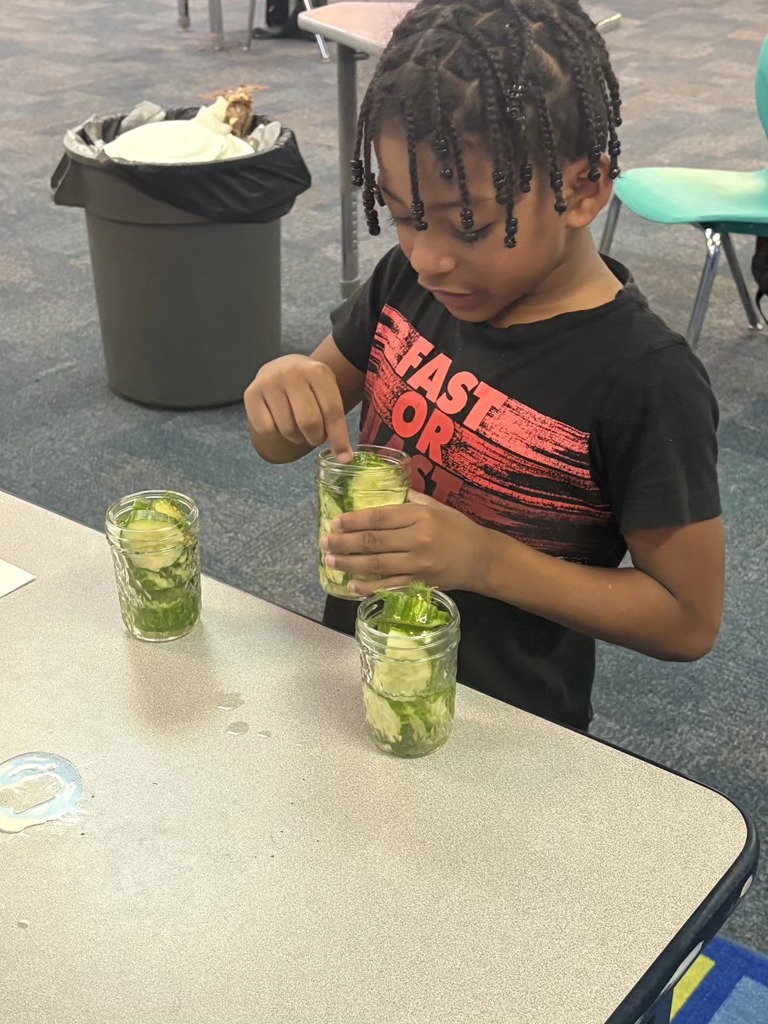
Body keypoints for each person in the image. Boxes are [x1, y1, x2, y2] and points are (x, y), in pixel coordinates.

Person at [244, 0, 724, 731]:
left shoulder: (643, 377)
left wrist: (485, 561)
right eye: (406, 215)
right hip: (362, 672)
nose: (430, 255)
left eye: (469, 221)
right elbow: (287, 433)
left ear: (585, 187)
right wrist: (281, 394)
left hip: (507, 727)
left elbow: (687, 620)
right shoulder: (407, 286)